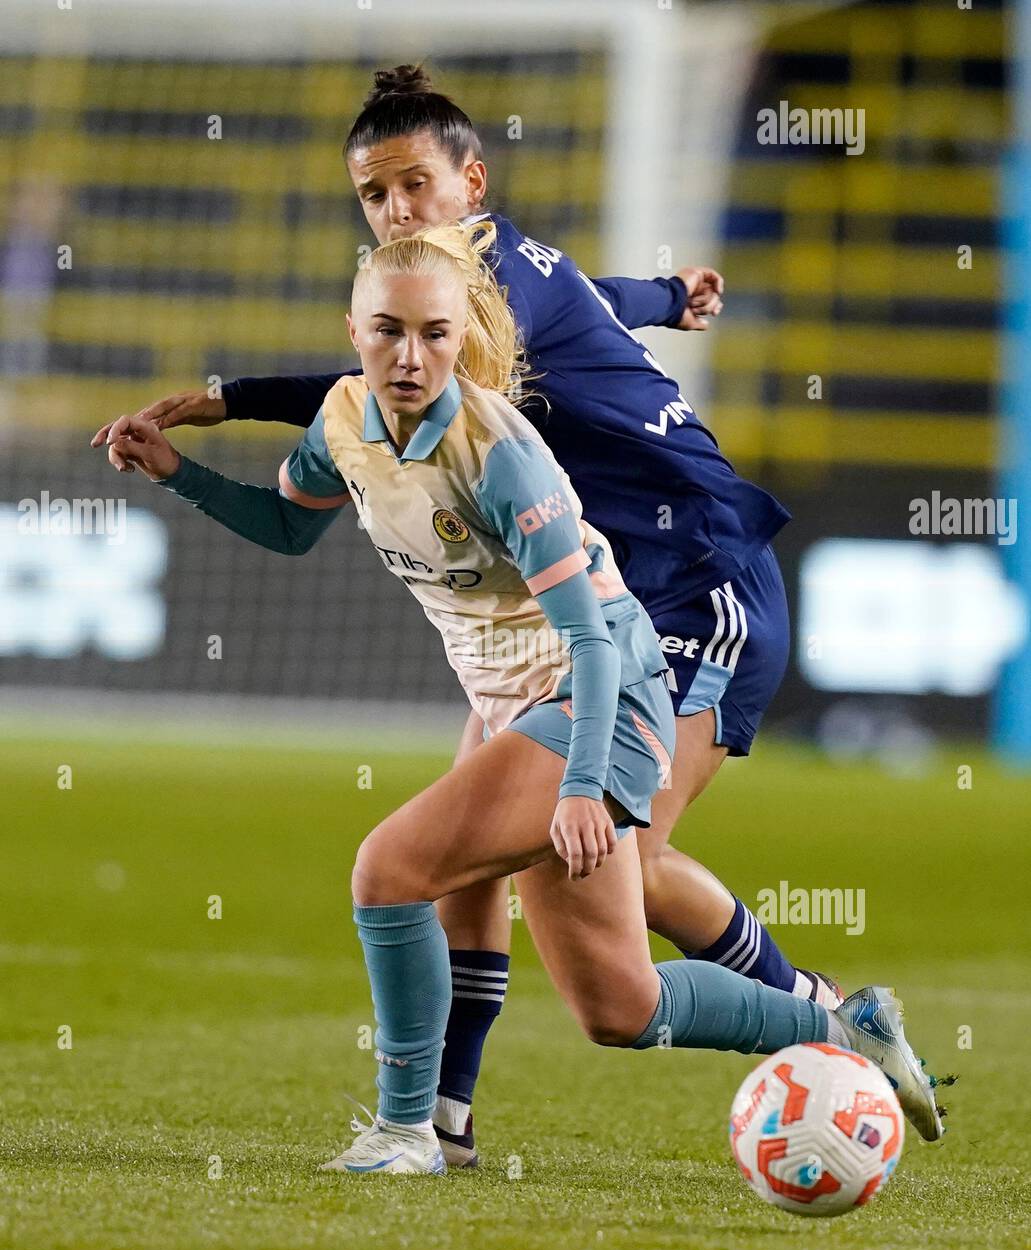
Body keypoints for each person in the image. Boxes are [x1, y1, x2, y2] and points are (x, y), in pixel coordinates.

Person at [92, 65, 840, 1168]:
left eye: (413, 187)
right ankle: (442, 1116)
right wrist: (663, 294)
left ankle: (814, 1012)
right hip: (581, 597)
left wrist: (230, 394)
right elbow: (568, 302)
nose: (397, 211)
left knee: (616, 859)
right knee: (496, 878)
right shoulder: (495, 276)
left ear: (470, 184)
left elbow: (408, 371)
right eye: (374, 197)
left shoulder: (465, 297)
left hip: (692, 566)